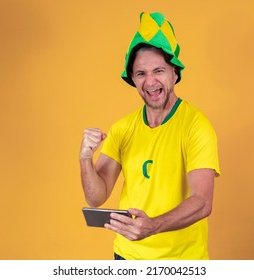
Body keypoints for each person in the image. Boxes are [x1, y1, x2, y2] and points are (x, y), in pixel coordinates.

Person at [79, 12, 220, 260]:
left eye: (159, 70)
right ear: (133, 79)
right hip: (127, 258)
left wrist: (153, 225)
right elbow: (96, 197)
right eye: (141, 73)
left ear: (175, 73)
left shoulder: (196, 126)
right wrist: (85, 160)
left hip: (181, 262)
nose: (150, 81)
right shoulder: (122, 128)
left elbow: (202, 201)